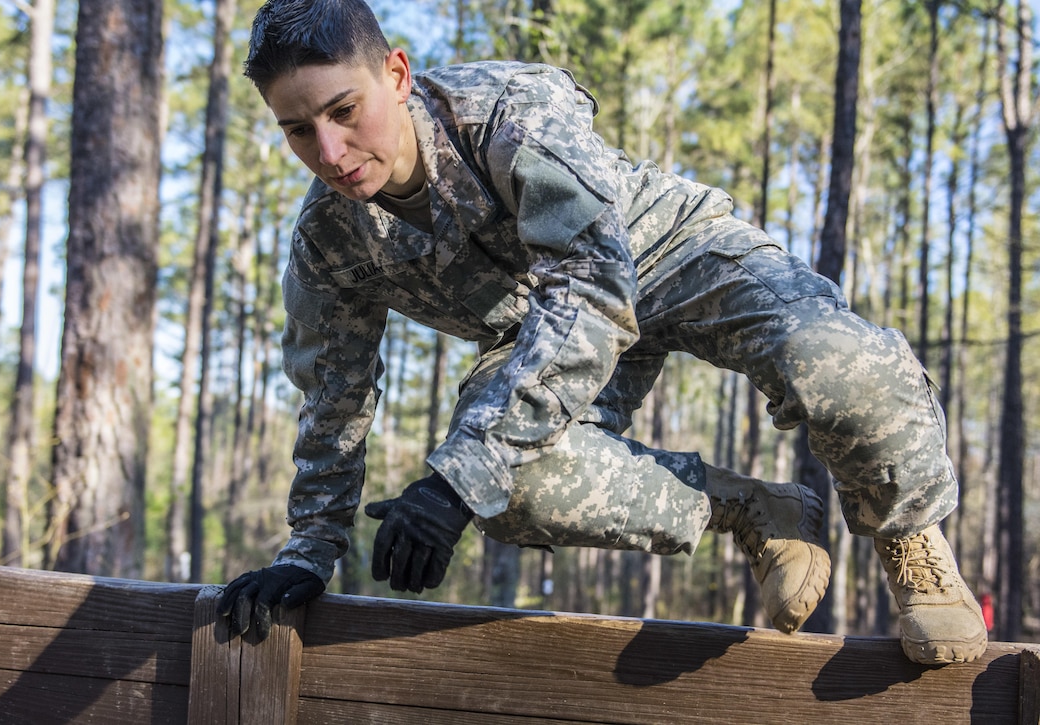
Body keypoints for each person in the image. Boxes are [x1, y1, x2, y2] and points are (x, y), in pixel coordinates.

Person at [217, 0, 988, 666]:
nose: (329, 152)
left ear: (396, 74)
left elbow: (595, 285)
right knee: (504, 481)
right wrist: (309, 549)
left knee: (836, 357)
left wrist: (457, 474)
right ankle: (755, 509)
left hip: (663, 254)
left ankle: (910, 538)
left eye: (343, 111)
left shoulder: (510, 111)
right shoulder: (329, 240)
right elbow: (333, 396)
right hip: (540, 333)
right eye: (297, 130)